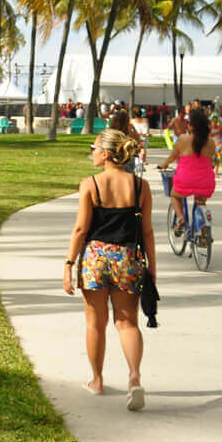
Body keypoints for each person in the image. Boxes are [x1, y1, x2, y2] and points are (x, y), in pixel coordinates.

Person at [63, 129, 155, 410]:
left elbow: (80, 229)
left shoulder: (90, 184)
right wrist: (151, 268)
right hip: (128, 257)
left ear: (105, 154)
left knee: (95, 323)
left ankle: (97, 380)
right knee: (127, 323)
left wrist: (69, 264)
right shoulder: (141, 186)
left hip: (95, 258)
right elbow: (148, 231)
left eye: (93, 148)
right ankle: (135, 377)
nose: (91, 153)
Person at [157, 107, 217, 239]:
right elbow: (210, 161)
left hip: (185, 180)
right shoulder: (211, 143)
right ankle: (202, 232)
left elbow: (172, 157)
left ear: (191, 125)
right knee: (201, 203)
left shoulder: (183, 139)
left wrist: (163, 165)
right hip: (206, 181)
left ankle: (181, 219)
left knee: (175, 196)